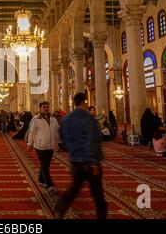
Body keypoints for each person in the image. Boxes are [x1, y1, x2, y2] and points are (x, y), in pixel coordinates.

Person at [55, 92, 108, 220]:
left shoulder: (66, 119)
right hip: (89, 162)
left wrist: (72, 148)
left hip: (75, 160)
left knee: (74, 189)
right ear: (84, 101)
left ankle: (61, 206)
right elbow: (93, 140)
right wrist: (93, 162)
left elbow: (61, 136)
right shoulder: (89, 119)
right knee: (98, 195)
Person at [26, 101, 60, 193]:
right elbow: (32, 132)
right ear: (40, 108)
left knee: (46, 165)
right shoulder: (36, 119)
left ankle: (41, 179)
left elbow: (57, 132)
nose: (46, 108)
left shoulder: (53, 119)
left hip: (50, 146)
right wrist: (29, 144)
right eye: (44, 107)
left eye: (47, 107)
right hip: (40, 146)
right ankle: (50, 185)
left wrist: (58, 143)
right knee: (45, 165)